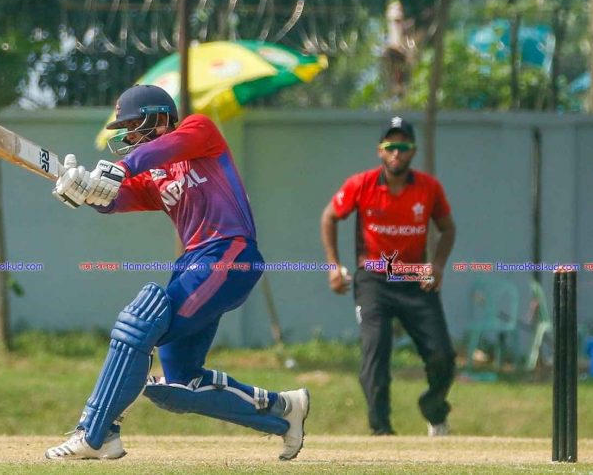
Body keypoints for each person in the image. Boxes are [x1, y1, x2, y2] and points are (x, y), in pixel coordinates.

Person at [43, 84, 309, 461]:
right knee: (181, 382)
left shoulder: (200, 131)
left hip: (229, 252)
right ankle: (284, 412)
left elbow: (159, 151)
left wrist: (120, 169)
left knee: (140, 325)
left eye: (133, 126)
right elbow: (117, 198)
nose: (128, 137)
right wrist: (87, 191)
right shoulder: (156, 177)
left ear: (160, 119)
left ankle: (98, 432)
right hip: (194, 263)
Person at [321, 117, 457, 436]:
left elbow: (448, 228)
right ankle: (381, 430)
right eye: (391, 146)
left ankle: (434, 409)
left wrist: (437, 265)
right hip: (374, 279)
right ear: (380, 151)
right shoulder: (361, 184)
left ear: (413, 151)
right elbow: (329, 217)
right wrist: (333, 266)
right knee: (375, 354)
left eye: (403, 147)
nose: (397, 153)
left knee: (443, 356)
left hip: (415, 278)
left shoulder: (429, 188)